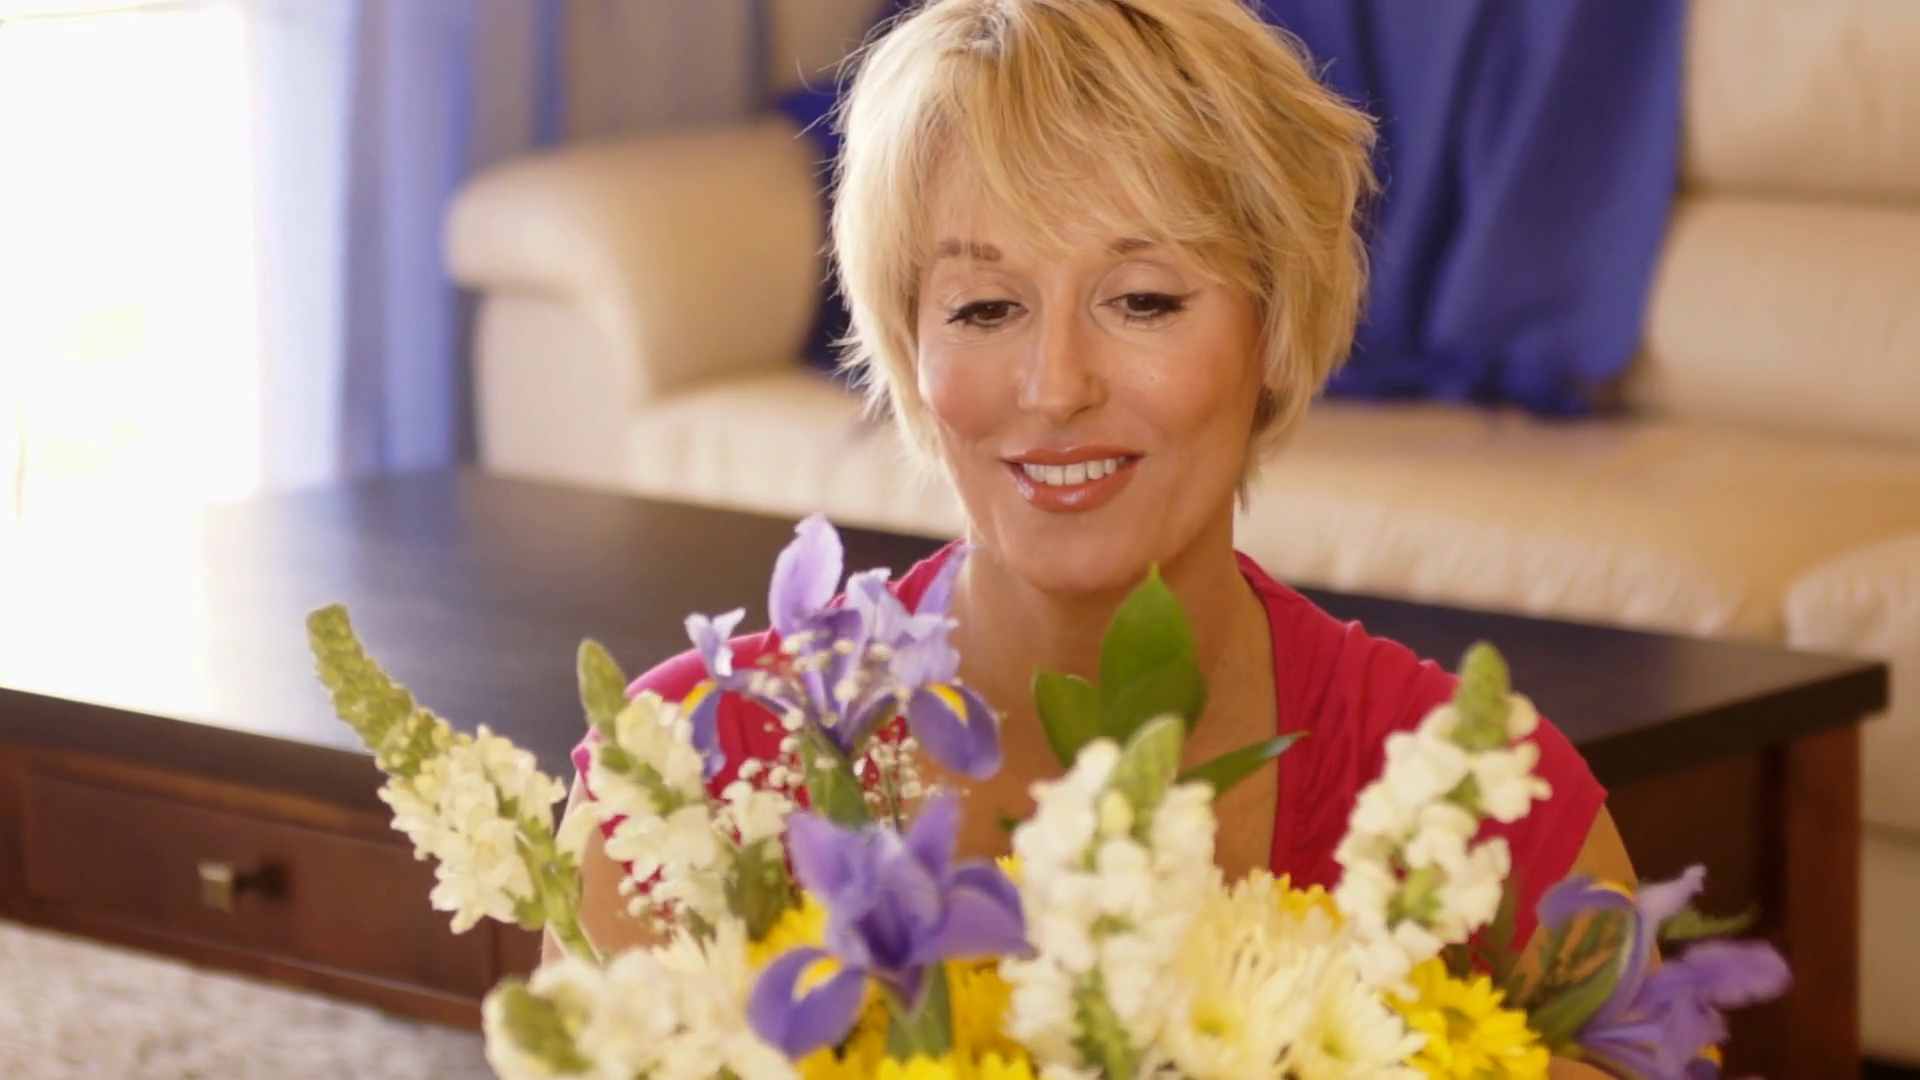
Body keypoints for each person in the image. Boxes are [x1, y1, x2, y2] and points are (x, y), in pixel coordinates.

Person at [561, 0, 1633, 1071]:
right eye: (985, 308)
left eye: (1144, 300)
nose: (1056, 386)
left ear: (1274, 326)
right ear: (910, 348)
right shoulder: (681, 778)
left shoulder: (1489, 802)